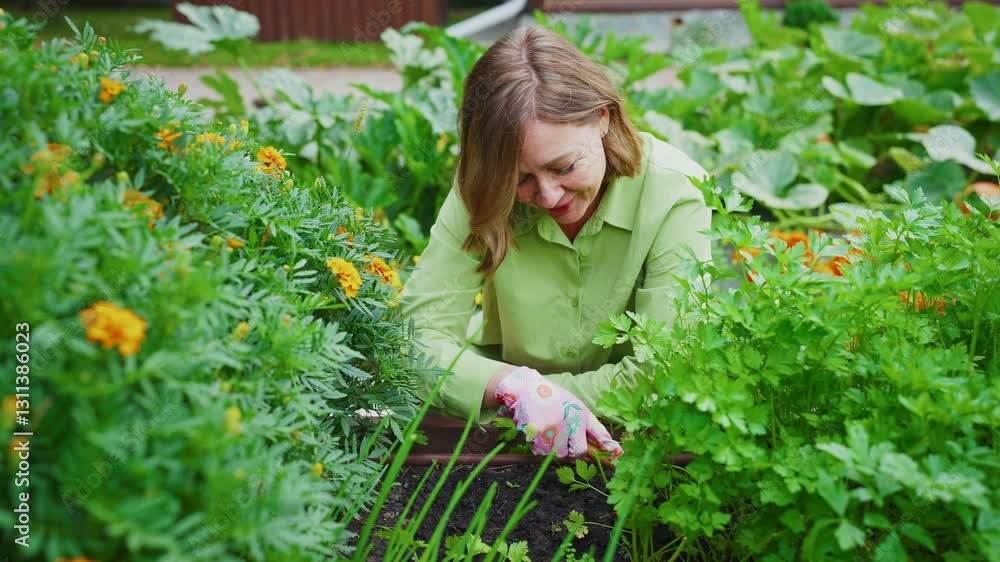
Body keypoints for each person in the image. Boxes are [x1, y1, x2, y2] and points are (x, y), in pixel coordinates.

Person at [399, 26, 712, 460]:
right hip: (508, 436)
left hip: (638, 442)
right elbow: (414, 342)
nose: (547, 196)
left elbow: (667, 367)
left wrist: (528, 399)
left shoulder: (674, 191)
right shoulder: (482, 189)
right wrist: (513, 387)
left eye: (564, 167)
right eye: (520, 180)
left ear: (602, 118)